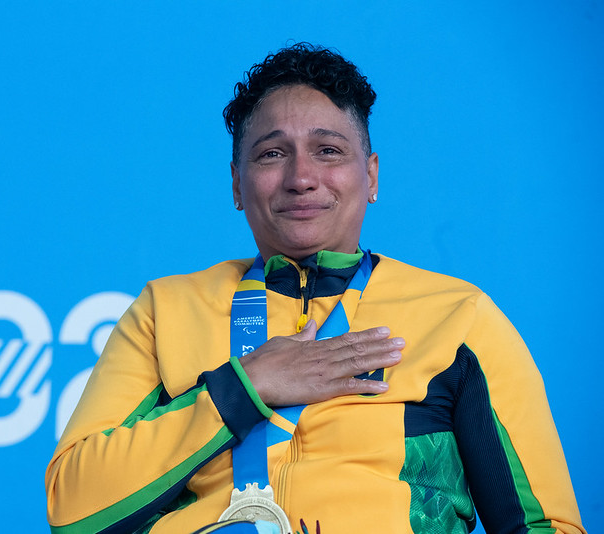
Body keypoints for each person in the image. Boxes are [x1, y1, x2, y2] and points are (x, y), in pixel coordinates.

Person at [45, 43, 585, 533]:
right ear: (237, 182)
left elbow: (543, 526)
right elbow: (73, 513)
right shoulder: (166, 309)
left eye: (328, 150)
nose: (301, 177)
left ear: (370, 176)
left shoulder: (459, 317)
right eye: (271, 154)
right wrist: (244, 386)